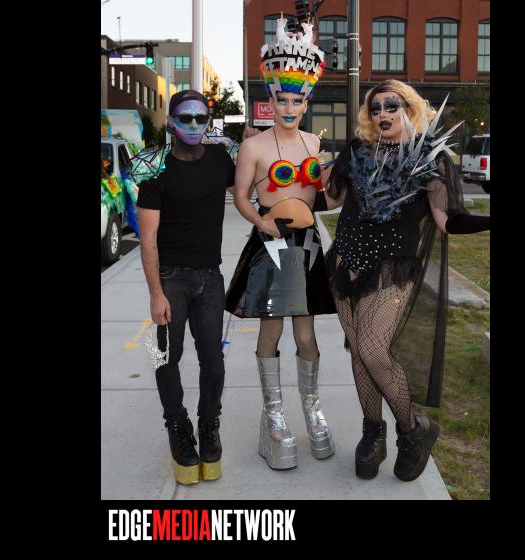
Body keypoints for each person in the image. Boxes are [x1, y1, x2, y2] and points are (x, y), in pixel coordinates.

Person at [323, 79, 490, 482]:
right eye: (375, 107)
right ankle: (372, 432)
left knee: (373, 349)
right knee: (359, 354)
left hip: (391, 269)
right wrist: (282, 187)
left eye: (391, 105)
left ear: (409, 109)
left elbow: (447, 221)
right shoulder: (357, 151)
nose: (382, 113)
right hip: (345, 263)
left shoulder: (430, 159)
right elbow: (330, 200)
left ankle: (413, 431)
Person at [225, 16, 336, 470]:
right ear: (270, 100)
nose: (289, 107)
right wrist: (261, 222)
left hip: (306, 245)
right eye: (282, 99)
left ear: (306, 102)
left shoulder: (313, 143)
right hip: (270, 244)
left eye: (297, 100)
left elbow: (325, 197)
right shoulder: (253, 147)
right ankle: (274, 418)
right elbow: (241, 196)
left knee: (306, 334)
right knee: (271, 330)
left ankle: (312, 409)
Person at [137, 90, 236, 485]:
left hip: (210, 277)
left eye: (201, 118)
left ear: (208, 121)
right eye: (185, 117)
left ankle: (209, 425)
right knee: (165, 357)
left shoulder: (221, 160)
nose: (194, 125)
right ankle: (178, 427)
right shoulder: (155, 170)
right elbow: (147, 240)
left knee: (213, 360)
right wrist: (155, 293)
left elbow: (253, 187)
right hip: (171, 278)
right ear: (171, 121)